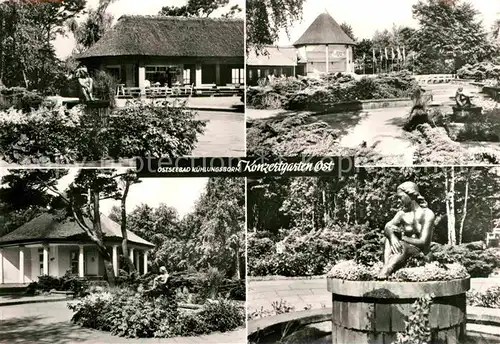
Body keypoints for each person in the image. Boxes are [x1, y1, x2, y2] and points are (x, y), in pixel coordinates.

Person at [377, 181, 435, 280]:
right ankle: (386, 267)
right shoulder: (402, 214)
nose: (399, 201)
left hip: (422, 254)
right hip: (404, 251)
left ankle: (386, 270)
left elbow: (423, 242)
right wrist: (392, 236)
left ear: (410, 195)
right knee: (388, 238)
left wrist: (401, 237)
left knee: (402, 245)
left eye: (401, 197)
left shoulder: (427, 214)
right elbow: (387, 226)